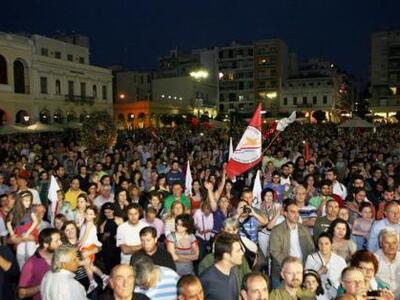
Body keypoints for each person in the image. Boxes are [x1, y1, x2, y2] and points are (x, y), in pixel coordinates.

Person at [269, 199, 315, 288]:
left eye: (297, 212)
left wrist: (305, 267)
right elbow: (274, 252)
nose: (296, 215)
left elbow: (311, 249)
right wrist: (290, 266)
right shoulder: (277, 230)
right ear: (285, 213)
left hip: (301, 270)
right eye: (293, 212)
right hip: (282, 271)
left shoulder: (304, 229)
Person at [18, 228, 62, 300]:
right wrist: (43, 285)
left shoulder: (61, 255)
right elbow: (21, 293)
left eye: (60, 239)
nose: (60, 243)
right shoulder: (30, 264)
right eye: (57, 241)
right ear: (45, 244)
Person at [200, 233, 244, 300]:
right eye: (238, 251)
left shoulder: (234, 270)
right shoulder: (206, 279)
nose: (242, 253)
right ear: (226, 256)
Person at [305, 232, 347, 299]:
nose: (323, 247)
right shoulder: (311, 258)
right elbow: (306, 279)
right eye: (320, 244)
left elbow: (345, 278)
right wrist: (318, 273)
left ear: (331, 244)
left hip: (335, 294)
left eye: (326, 243)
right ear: (317, 245)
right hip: (317, 294)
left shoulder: (340, 260)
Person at [79, 206, 109, 293]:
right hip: (88, 246)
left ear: (94, 216)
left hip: (87, 246)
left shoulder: (89, 224)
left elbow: (85, 236)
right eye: (87, 213)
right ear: (85, 214)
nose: (88, 215)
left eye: (91, 214)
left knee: (87, 266)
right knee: (90, 266)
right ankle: (104, 277)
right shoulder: (86, 223)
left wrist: (79, 244)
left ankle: (92, 282)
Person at [6, 190, 39, 270]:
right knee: (20, 255)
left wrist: (28, 233)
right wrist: (12, 234)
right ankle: (23, 272)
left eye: (29, 200)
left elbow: (35, 222)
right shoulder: (14, 212)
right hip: (19, 233)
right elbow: (8, 223)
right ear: (20, 200)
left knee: (30, 253)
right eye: (26, 200)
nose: (28, 202)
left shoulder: (31, 210)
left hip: (30, 233)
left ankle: (32, 270)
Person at [374, 227, 400, 297]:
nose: (391, 246)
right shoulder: (373, 259)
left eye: (394, 243)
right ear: (381, 244)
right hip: (381, 296)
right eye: (387, 243)